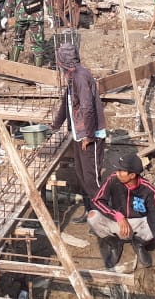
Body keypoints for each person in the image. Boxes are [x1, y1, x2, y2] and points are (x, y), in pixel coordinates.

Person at [50, 43, 107, 224]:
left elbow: (88, 108)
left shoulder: (80, 77)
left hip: (90, 136)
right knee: (82, 177)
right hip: (79, 134)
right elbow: (66, 104)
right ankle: (90, 212)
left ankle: (103, 217)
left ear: (64, 62)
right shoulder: (72, 77)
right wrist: (55, 125)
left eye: (59, 62)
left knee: (92, 179)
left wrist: (89, 136)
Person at [88, 153, 155, 272]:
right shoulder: (113, 179)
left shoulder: (149, 190)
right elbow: (97, 200)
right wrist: (117, 215)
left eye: (121, 170)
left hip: (138, 225)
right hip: (118, 224)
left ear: (132, 175)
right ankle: (115, 244)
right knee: (92, 216)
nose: (117, 172)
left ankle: (139, 244)